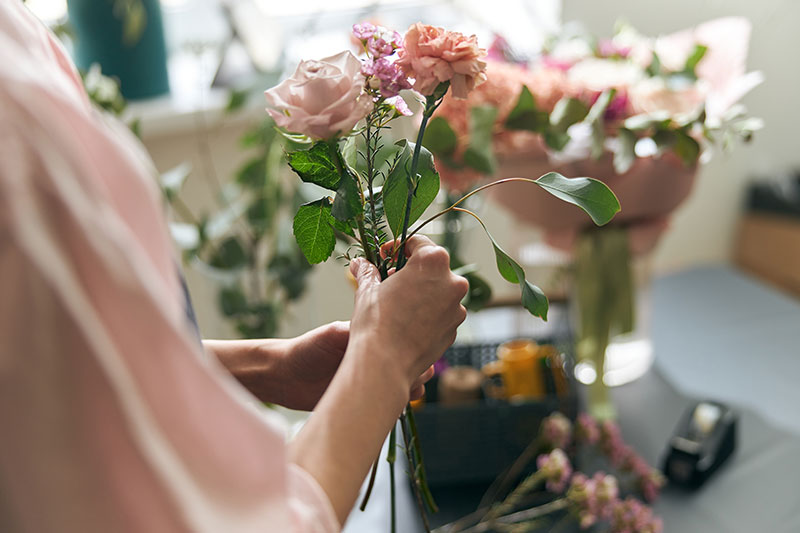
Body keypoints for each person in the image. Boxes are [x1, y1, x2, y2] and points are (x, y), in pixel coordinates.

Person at [0, 2, 468, 532]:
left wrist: (265, 367)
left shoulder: (17, 40)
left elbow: (51, 372)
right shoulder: (15, 134)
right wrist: (385, 356)